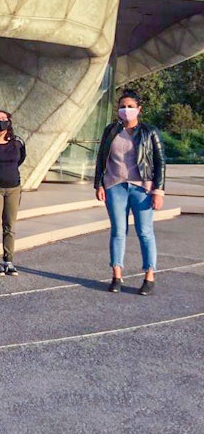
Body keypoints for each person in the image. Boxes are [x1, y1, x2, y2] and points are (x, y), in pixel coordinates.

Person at [94, 90, 165, 296]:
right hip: (115, 186)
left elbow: (160, 162)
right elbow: (101, 159)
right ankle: (116, 275)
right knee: (118, 231)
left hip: (142, 187)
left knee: (145, 231)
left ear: (139, 109)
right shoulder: (111, 131)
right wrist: (99, 184)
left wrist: (158, 190)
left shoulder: (149, 132)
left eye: (130, 106)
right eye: (122, 106)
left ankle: (149, 276)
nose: (126, 110)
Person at [0, 111, 26, 276]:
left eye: (4, 119)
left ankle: (9, 260)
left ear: (9, 121)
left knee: (10, 225)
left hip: (14, 187)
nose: (1, 122)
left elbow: (21, 159)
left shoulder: (17, 142)